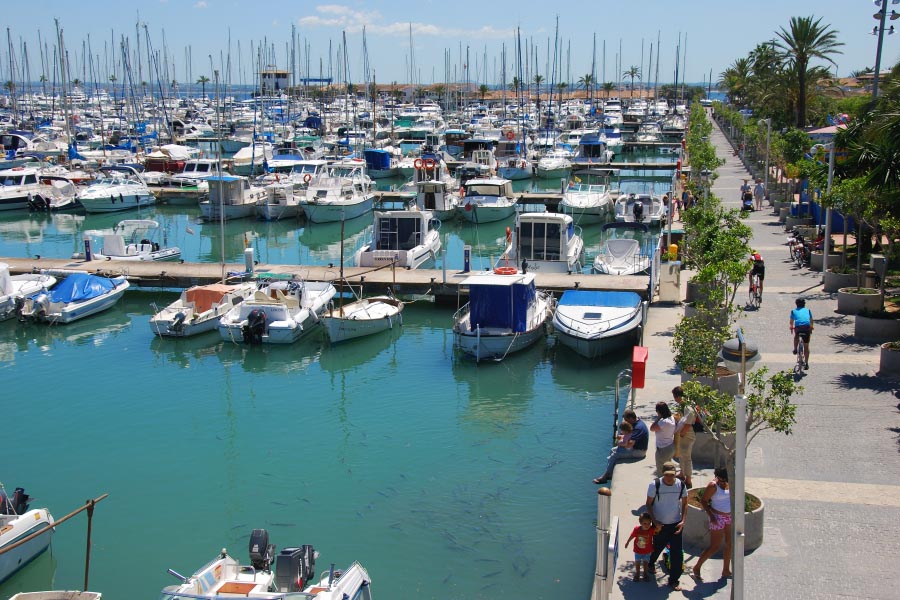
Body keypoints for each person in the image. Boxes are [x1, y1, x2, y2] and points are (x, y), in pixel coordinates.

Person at [645, 462, 688, 591]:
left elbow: (685, 503)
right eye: (667, 475)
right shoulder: (655, 485)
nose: (669, 478)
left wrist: (683, 521)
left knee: (677, 554)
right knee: (656, 547)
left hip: (676, 524)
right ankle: (651, 563)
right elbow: (648, 504)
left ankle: (674, 579)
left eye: (672, 475)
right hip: (660, 525)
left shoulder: (681, 485)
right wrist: (655, 522)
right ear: (663, 474)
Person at [692, 468, 733, 581]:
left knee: (729, 544)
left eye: (725, 480)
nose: (723, 482)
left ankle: (725, 570)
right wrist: (711, 516)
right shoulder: (713, 486)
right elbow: (704, 501)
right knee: (715, 546)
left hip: (729, 516)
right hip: (717, 517)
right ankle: (697, 567)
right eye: (721, 480)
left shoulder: (730, 483)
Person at [592, 409, 648, 484]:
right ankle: (610, 473)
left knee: (614, 455)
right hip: (634, 448)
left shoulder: (638, 428)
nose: (625, 422)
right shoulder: (636, 423)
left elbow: (629, 445)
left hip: (638, 451)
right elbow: (628, 437)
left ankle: (604, 477)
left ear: (631, 418)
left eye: (626, 420)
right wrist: (622, 438)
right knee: (612, 449)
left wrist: (620, 443)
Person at [671, 386, 697, 489]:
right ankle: (682, 473)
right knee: (681, 455)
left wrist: (681, 434)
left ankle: (689, 479)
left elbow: (688, 424)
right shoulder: (683, 405)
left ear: (677, 396)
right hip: (683, 434)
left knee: (687, 457)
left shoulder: (688, 408)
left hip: (687, 435)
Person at [625, 512, 655, 582]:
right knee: (637, 563)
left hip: (647, 551)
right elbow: (632, 536)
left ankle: (645, 574)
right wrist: (627, 542)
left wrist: (657, 524)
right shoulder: (637, 529)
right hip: (638, 550)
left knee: (645, 563)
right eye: (645, 523)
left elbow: (658, 529)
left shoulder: (651, 530)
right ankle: (637, 574)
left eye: (649, 523)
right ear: (640, 523)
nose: (647, 525)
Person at [650, 402, 677, 477]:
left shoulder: (663, 422)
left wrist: (658, 418)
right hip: (670, 447)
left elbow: (652, 428)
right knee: (669, 469)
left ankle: (662, 486)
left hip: (663, 450)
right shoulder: (671, 418)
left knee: (661, 471)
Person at [790, 298, 813, 369]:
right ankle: (806, 363)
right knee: (806, 346)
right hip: (806, 327)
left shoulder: (793, 311)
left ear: (796, 304)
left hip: (798, 327)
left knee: (796, 336)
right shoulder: (808, 310)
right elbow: (811, 321)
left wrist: (791, 327)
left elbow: (791, 322)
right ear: (804, 304)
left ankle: (795, 349)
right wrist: (811, 328)